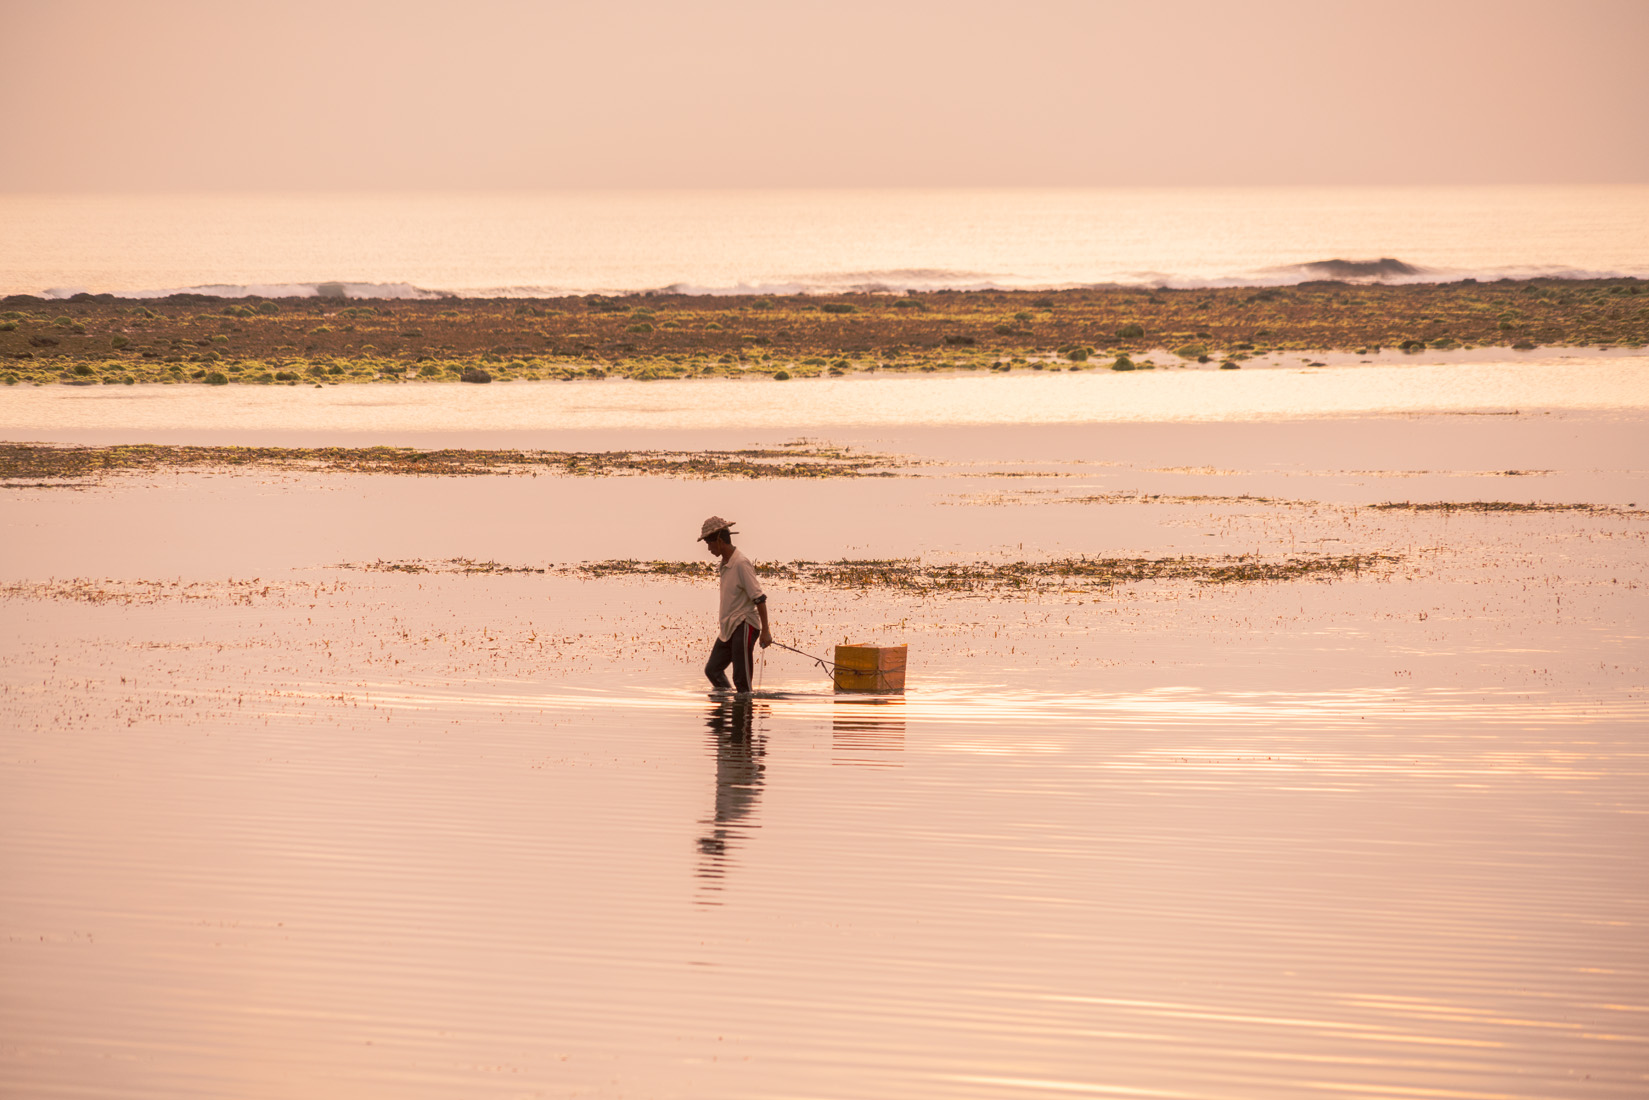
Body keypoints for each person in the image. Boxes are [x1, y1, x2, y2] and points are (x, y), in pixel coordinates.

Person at [699, 516, 771, 693]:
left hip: (745, 624)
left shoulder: (741, 563)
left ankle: (744, 710)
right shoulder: (724, 564)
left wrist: (766, 631)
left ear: (720, 541)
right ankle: (730, 707)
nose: (708, 549)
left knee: (741, 679)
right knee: (713, 670)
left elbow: (759, 598)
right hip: (729, 628)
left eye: (710, 544)